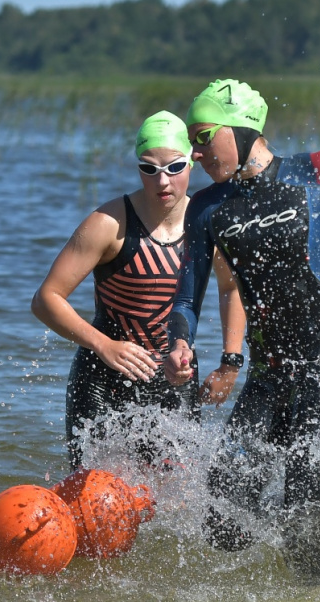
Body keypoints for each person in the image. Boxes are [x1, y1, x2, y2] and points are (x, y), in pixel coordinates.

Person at [165, 79, 320, 582]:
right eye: (193, 142)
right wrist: (180, 343)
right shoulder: (207, 207)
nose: (195, 153)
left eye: (203, 137)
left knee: (303, 528)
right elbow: (186, 297)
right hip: (266, 380)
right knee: (223, 516)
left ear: (242, 129)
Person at [32, 111, 246, 470]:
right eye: (149, 169)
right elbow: (45, 299)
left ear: (192, 162)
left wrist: (230, 364)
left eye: (174, 168)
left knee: (177, 494)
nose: (163, 181)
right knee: (93, 494)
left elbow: (231, 289)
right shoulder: (108, 224)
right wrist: (104, 345)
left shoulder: (209, 222)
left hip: (175, 376)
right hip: (103, 376)